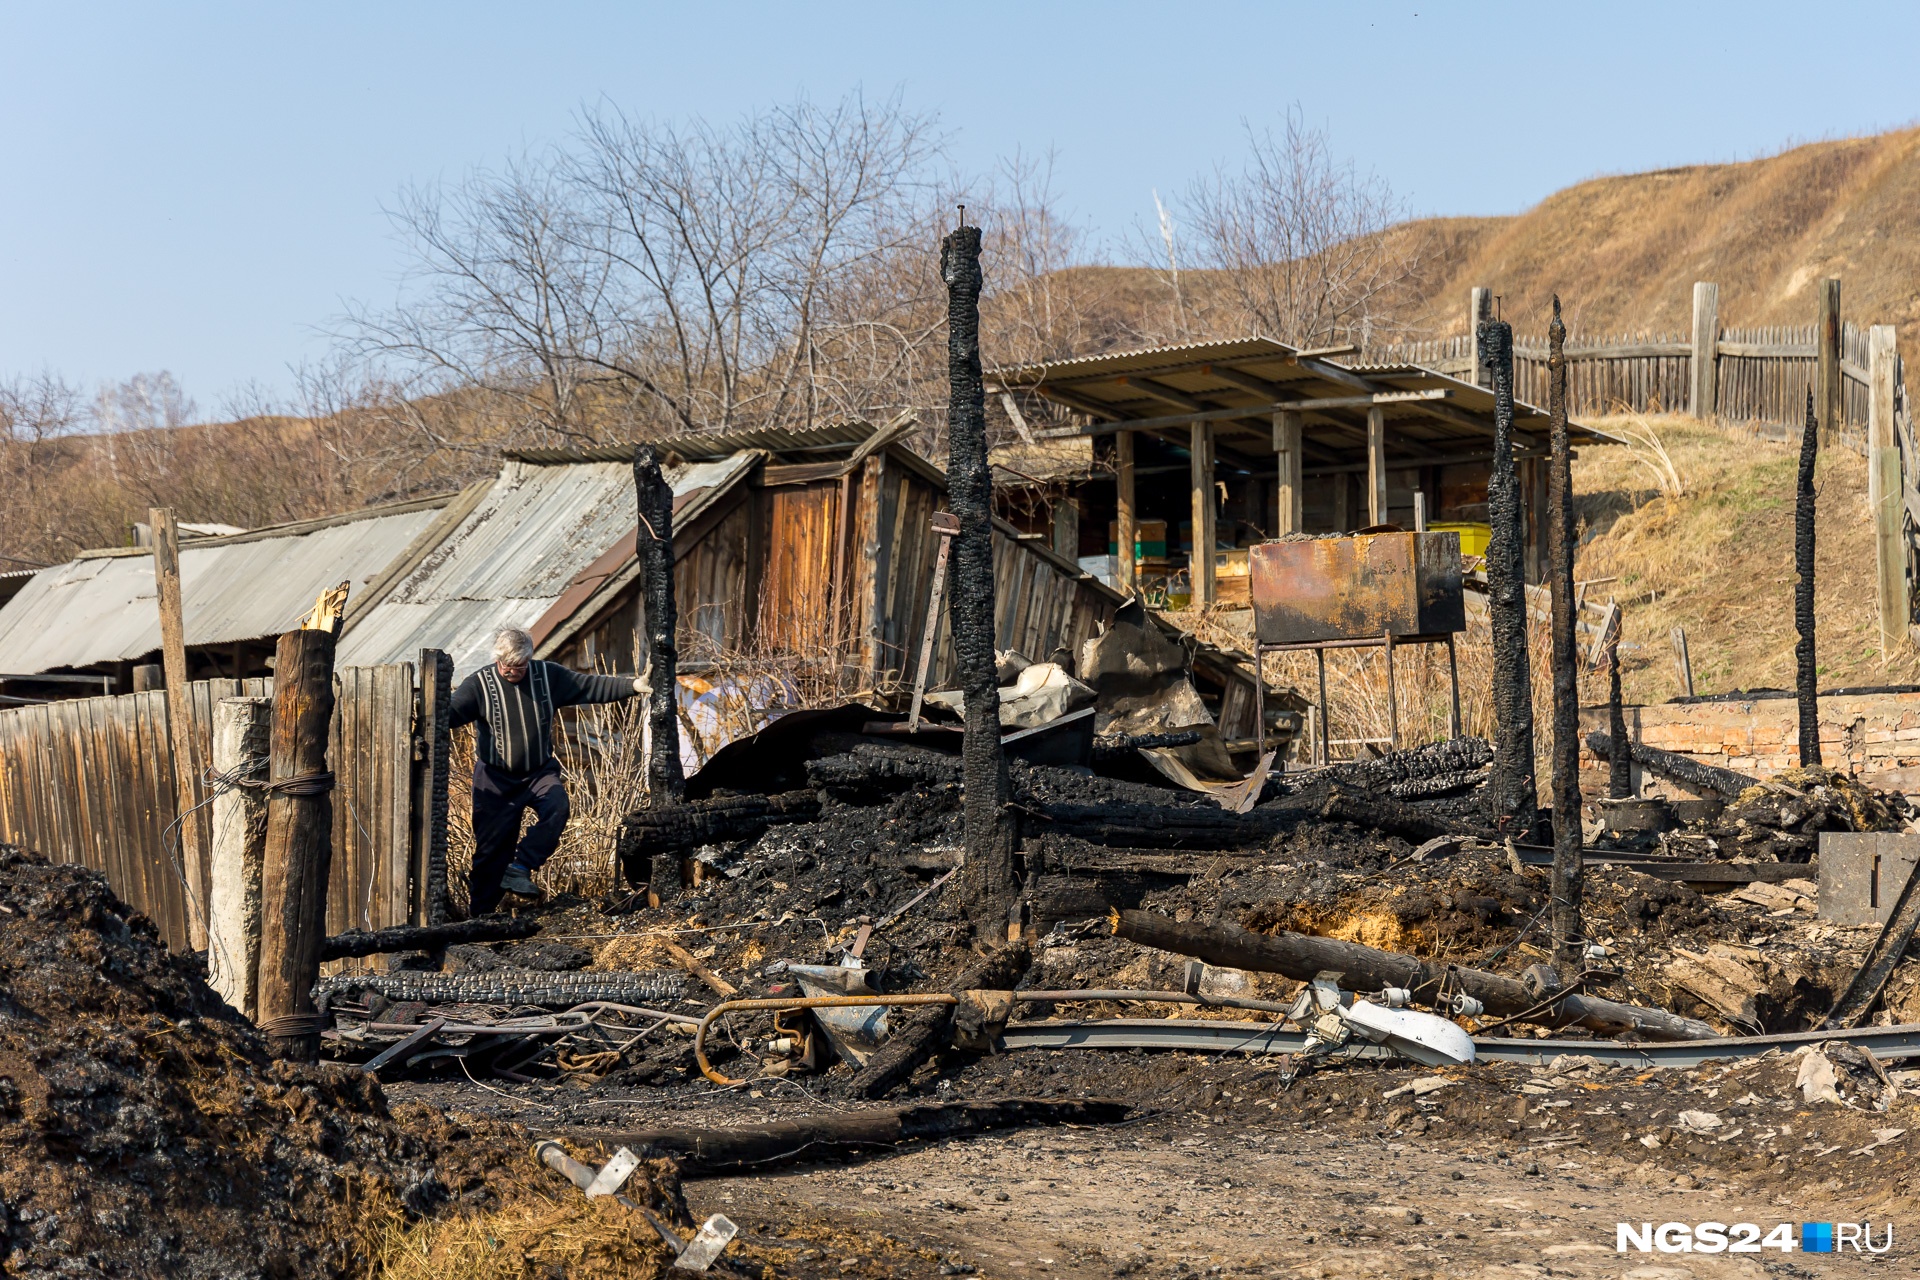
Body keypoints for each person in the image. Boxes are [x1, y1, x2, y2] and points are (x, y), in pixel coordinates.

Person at [450, 627, 645, 913]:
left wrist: (632, 686)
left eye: (519, 666)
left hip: (538, 772)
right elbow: (452, 713)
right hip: (495, 779)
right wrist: (426, 711)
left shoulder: (547, 676)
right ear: (497, 660)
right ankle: (480, 916)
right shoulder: (479, 684)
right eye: (506, 665)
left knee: (557, 807)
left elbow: (590, 686)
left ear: (529, 659)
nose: (512, 672)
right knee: (491, 852)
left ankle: (521, 866)